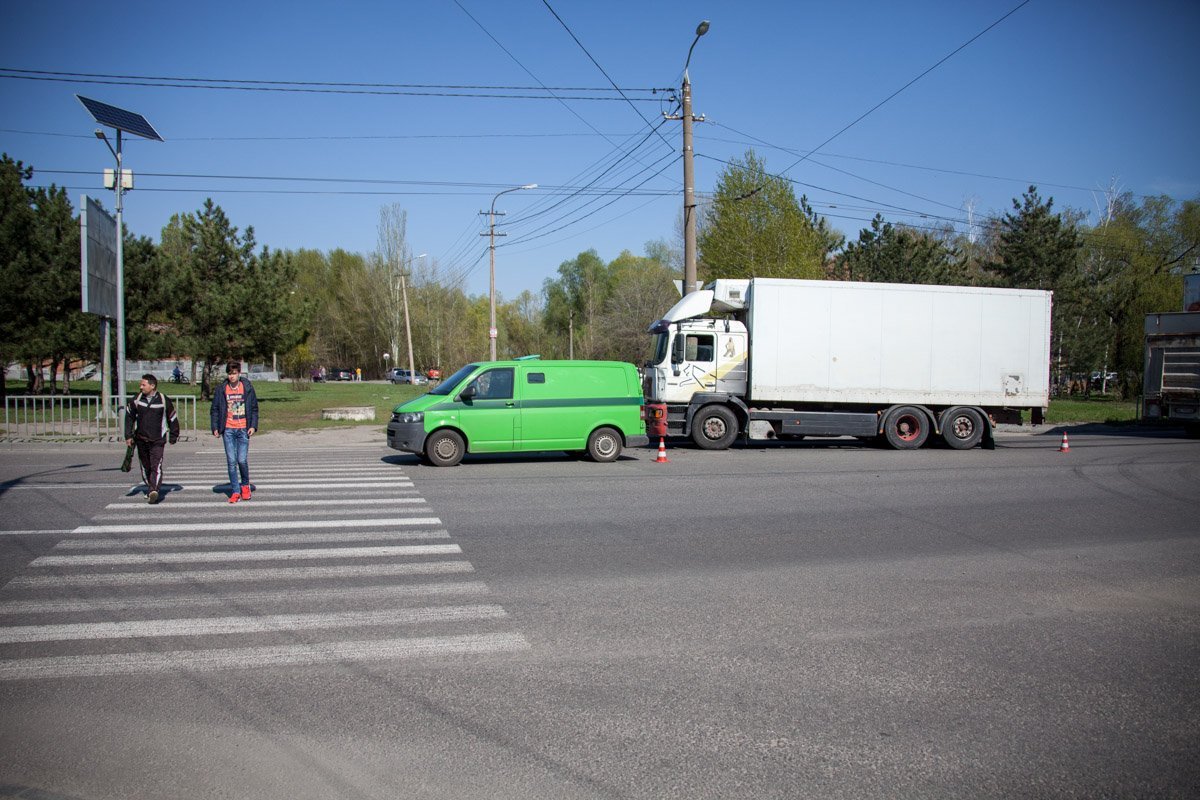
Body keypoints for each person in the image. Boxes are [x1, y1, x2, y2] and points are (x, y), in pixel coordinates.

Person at [124, 373, 180, 504]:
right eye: (141, 384)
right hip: (141, 439)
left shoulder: (163, 400)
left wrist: (173, 435)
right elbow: (129, 417)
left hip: (157, 440)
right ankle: (150, 486)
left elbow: (172, 418)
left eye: (143, 384)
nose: (141, 387)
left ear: (152, 386)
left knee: (156, 465)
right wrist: (128, 435)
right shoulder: (137, 399)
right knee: (145, 466)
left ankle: (153, 490)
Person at [210, 361, 259, 503]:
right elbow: (215, 409)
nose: (232, 376)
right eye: (230, 374)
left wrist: (253, 426)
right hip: (228, 429)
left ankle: (245, 486)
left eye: (234, 373)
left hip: (243, 428)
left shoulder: (247, 387)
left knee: (241, 460)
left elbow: (254, 408)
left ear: (239, 373)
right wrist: (215, 427)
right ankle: (235, 490)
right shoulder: (222, 389)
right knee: (231, 461)